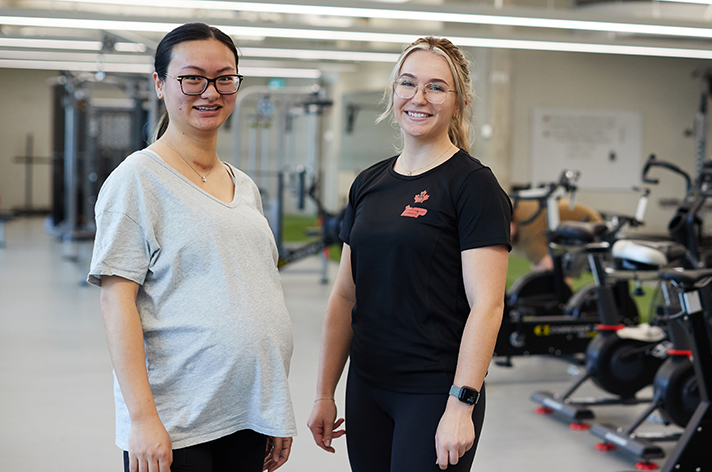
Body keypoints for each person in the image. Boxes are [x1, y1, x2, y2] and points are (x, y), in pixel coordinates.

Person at [88, 22, 294, 472]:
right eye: (192, 77)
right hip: (176, 423)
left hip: (245, 414)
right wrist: (142, 419)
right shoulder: (137, 180)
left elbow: (257, 297)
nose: (210, 92)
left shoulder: (245, 186)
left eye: (225, 78)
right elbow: (115, 302)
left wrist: (273, 407)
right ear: (160, 84)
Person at [307, 36, 512, 472]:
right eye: (408, 83)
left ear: (459, 103)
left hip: (434, 390)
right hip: (367, 385)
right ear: (394, 93)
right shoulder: (368, 183)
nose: (419, 98)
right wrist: (325, 392)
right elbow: (345, 295)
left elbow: (488, 305)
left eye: (437, 87)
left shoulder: (472, 186)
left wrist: (461, 404)